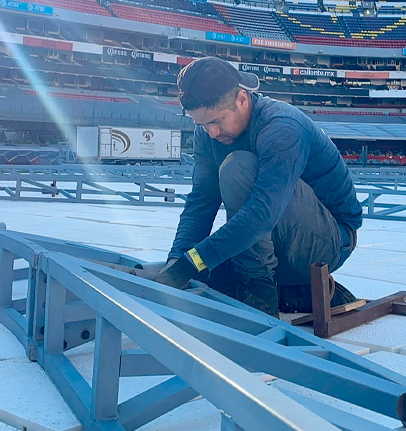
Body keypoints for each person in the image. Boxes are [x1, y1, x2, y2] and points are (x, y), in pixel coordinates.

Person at [153, 57, 363, 316]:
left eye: (216, 121)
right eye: (202, 125)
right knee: (203, 275)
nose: (212, 133)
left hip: (328, 241)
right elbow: (201, 203)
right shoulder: (207, 134)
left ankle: (260, 293)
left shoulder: (282, 127)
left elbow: (263, 214)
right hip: (273, 237)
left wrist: (193, 262)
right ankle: (296, 292)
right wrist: (177, 259)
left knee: (237, 168)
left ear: (242, 99)